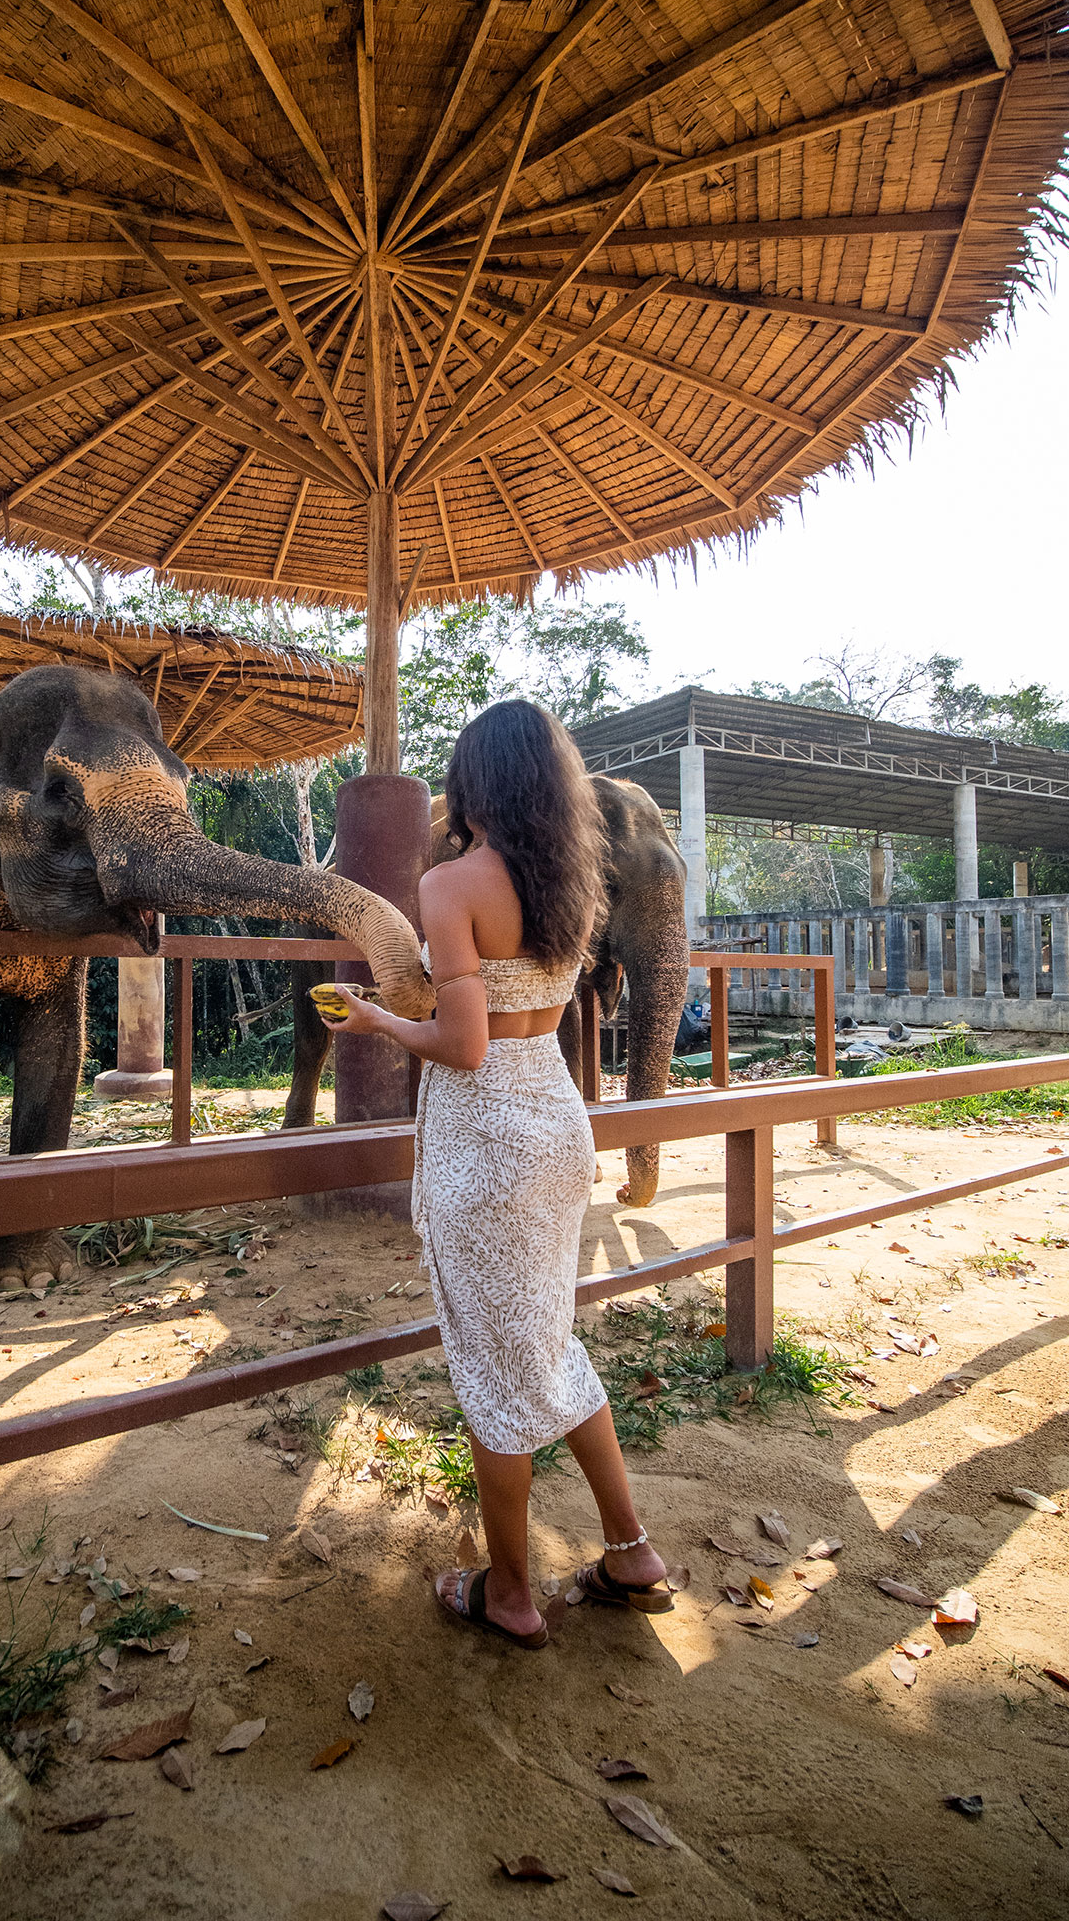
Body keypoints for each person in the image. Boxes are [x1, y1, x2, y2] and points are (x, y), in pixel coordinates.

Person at [328, 700, 672, 1646]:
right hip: (557, 1127)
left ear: (473, 784)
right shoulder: (571, 883)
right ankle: (631, 1549)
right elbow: (540, 1017)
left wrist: (376, 1020)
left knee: (494, 1365)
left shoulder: (451, 884)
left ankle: (511, 1593)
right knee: (548, 1343)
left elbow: (464, 1046)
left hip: (488, 1145)